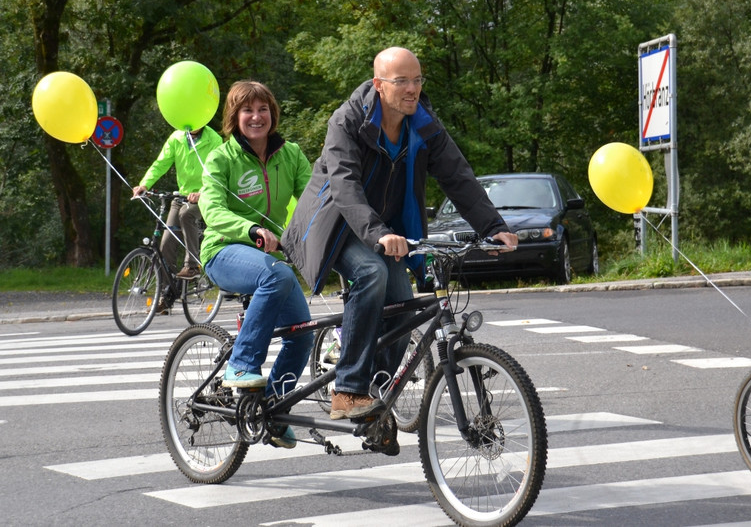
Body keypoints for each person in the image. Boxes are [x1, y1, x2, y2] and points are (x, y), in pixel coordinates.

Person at [282, 47, 518, 425]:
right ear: (378, 85)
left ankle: (376, 399)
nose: (412, 89)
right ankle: (347, 389)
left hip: (385, 231)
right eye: (402, 81)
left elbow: (457, 175)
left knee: (402, 308)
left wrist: (493, 228)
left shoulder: (423, 124)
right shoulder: (348, 121)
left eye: (418, 80)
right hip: (335, 225)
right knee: (371, 274)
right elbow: (345, 186)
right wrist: (378, 234)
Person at [198, 80, 312, 449]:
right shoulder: (222, 158)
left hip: (270, 259)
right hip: (224, 250)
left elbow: (314, 200)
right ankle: (241, 364)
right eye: (247, 110)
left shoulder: (290, 154)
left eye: (263, 109)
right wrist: (250, 229)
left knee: (302, 333)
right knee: (275, 273)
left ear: (272, 114)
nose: (256, 116)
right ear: (235, 117)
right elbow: (211, 209)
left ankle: (273, 409)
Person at [133, 125, 220, 311]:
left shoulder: (213, 139)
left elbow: (216, 171)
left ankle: (192, 266)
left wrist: (202, 192)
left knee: (186, 215)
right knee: (165, 244)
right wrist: (144, 185)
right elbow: (161, 163)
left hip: (206, 196)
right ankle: (168, 293)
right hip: (181, 196)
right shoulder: (177, 137)